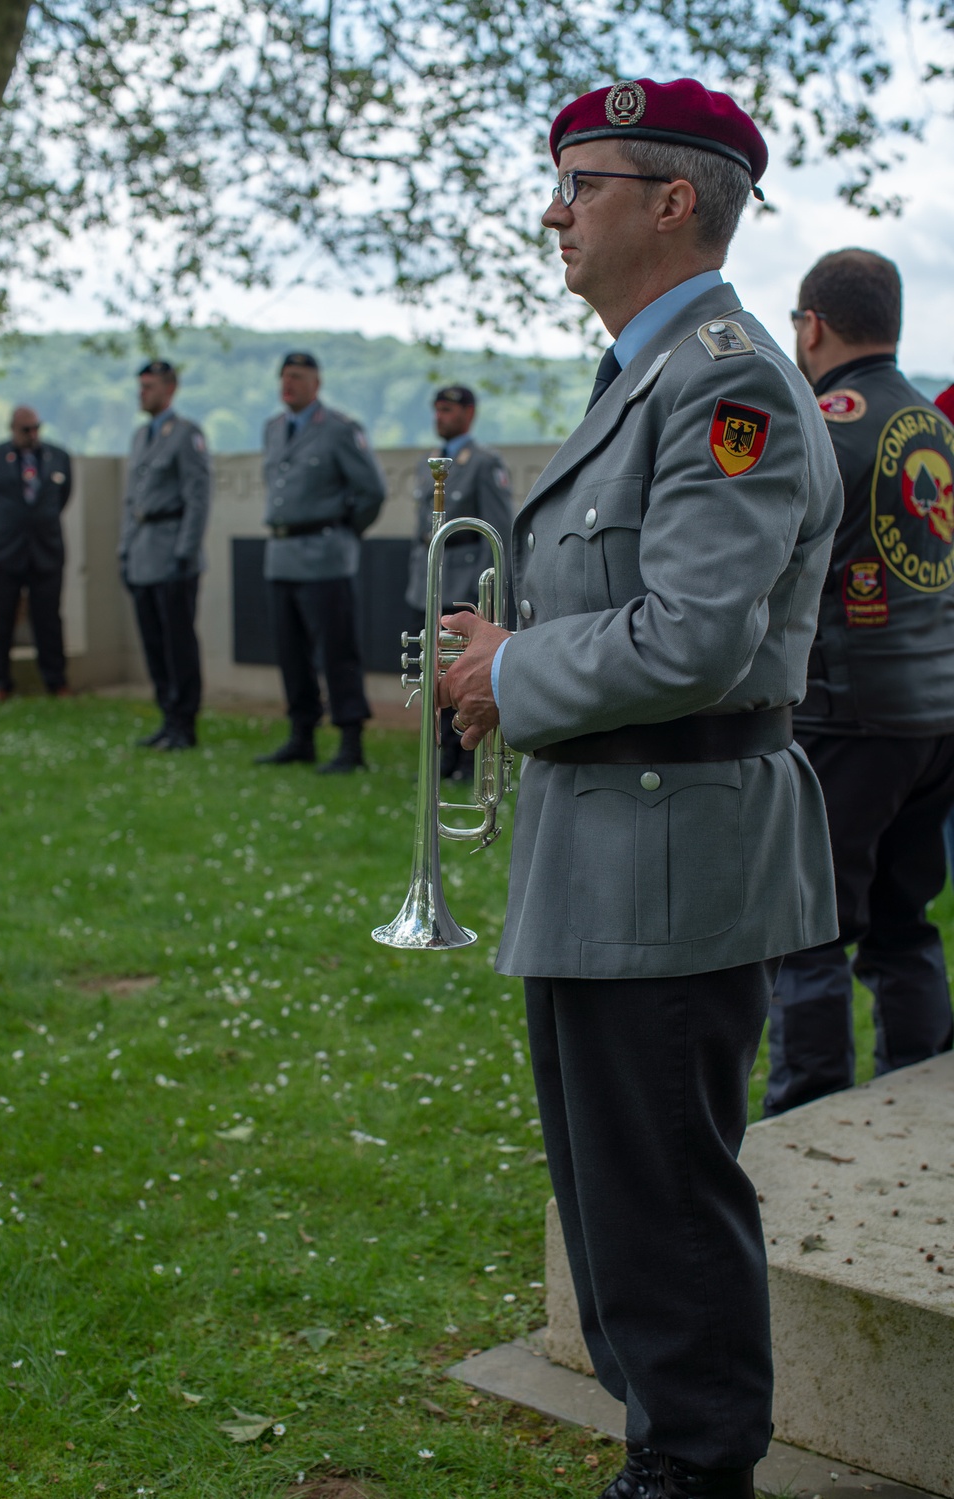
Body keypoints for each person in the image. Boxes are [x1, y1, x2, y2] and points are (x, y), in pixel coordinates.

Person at [438, 79, 843, 1499]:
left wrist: (511, 668)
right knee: (617, 1199)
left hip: (672, 851)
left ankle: (691, 1468)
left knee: (663, 1204)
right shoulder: (650, 372)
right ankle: (667, 1447)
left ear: (674, 202)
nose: (555, 210)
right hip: (612, 844)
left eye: (580, 182)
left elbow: (697, 631)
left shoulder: (724, 376)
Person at [764, 250, 954, 1116]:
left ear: (812, 326)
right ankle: (917, 1106)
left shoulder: (820, 422)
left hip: (847, 715)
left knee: (809, 934)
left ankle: (808, 1120)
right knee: (905, 924)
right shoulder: (939, 428)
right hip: (938, 714)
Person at [254, 352, 386, 773]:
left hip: (326, 558)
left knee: (336, 654)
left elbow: (371, 492)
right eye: (283, 377)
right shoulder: (274, 429)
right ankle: (301, 735)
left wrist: (342, 531)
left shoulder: (337, 429)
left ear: (316, 383)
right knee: (290, 653)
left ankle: (351, 743)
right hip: (282, 556)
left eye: (296, 377)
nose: (286, 385)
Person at [405, 384, 513, 778]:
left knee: (461, 673)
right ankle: (437, 756)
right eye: (436, 409)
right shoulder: (427, 462)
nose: (440, 416)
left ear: (469, 413)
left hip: (464, 577)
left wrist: (488, 591)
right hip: (429, 576)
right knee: (433, 672)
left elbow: (497, 528)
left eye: (448, 409)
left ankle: (464, 758)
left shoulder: (483, 462)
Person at [119, 360, 211, 750]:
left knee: (178, 645)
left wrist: (184, 553)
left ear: (170, 389)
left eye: (151, 386)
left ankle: (184, 723)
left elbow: (197, 498)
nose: (143, 392)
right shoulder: (142, 436)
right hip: (143, 554)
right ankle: (166, 716)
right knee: (155, 645)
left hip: (172, 553)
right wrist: (124, 551)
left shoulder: (186, 434)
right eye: (141, 386)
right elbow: (131, 502)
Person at [0, 406, 72, 701]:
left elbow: (63, 496)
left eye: (37, 428)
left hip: (45, 550)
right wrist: (4, 523)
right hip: (5, 551)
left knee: (48, 619)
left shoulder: (57, 457)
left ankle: (56, 680)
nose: (33, 435)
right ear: (12, 429)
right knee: (1, 617)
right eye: (26, 430)